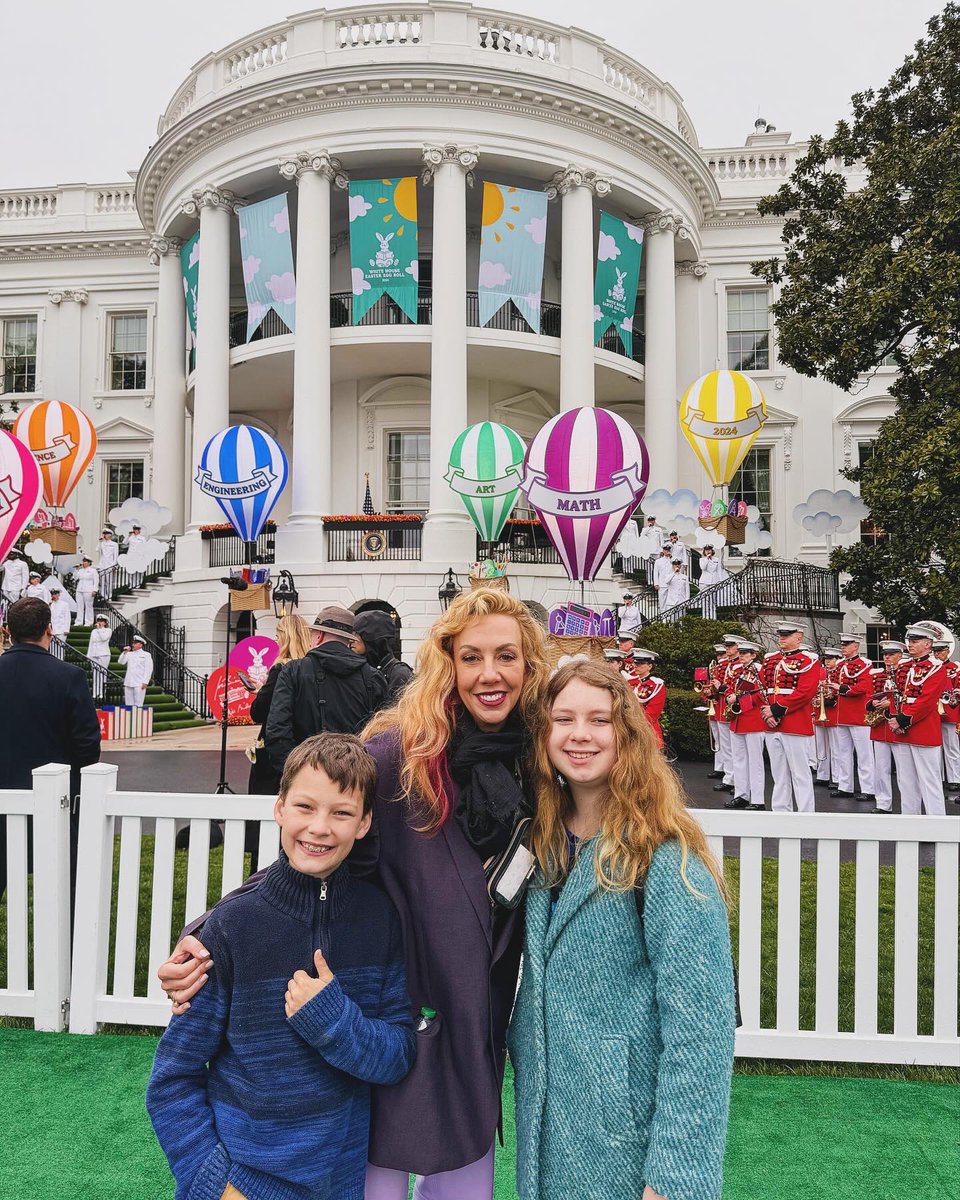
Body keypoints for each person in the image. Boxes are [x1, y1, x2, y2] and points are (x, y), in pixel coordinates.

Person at [157, 588, 552, 1200]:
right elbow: (319, 847)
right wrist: (212, 931)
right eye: (471, 657)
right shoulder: (400, 755)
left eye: (506, 656)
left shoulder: (537, 761)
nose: (490, 674)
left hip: (476, 1018)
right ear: (447, 663)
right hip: (390, 1009)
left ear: (530, 665)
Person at [147, 734, 416, 1200]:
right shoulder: (232, 927)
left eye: (341, 812)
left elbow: (398, 1054)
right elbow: (173, 1078)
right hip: (243, 1183)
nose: (320, 828)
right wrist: (216, 1183)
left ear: (365, 822)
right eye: (305, 807)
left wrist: (335, 1022)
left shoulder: (380, 921)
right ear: (279, 808)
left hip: (341, 1183)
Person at [509, 659, 735, 1200]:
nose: (580, 735)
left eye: (599, 720)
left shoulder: (666, 859)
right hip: (547, 1133)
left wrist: (675, 1179)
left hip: (625, 1145)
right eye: (563, 719)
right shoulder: (539, 843)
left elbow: (701, 1034)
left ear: (626, 735)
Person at [0, 597, 100, 909]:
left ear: (9, 631)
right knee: (63, 889)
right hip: (55, 801)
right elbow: (88, 745)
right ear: (49, 629)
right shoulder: (68, 676)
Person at [266, 606, 389, 777]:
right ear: (349, 640)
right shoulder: (373, 676)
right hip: (356, 777)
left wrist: (294, 773)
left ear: (320, 635)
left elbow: (277, 730)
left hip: (305, 772)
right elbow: (384, 734)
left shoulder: (293, 671)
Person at [248, 613, 314, 799]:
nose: (275, 640)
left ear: (286, 637)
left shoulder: (281, 670)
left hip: (277, 750)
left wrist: (262, 693)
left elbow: (259, 712)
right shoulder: (310, 669)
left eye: (278, 635)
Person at [760, 622, 819, 813]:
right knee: (779, 775)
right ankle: (780, 814)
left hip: (795, 723)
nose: (782, 638)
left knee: (800, 773)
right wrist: (767, 711)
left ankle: (805, 816)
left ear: (799, 637)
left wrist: (776, 710)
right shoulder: (770, 659)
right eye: (780, 635)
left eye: (787, 634)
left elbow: (805, 692)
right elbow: (761, 688)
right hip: (771, 723)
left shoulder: (808, 660)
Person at [886, 627, 945, 816]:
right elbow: (897, 696)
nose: (910, 644)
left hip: (923, 728)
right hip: (903, 728)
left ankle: (936, 825)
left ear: (927, 644)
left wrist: (903, 720)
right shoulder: (904, 667)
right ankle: (910, 823)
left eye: (915, 641)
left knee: (929, 780)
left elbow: (926, 701)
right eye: (910, 641)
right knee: (906, 780)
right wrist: (895, 718)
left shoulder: (936, 668)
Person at [829, 634, 876, 803]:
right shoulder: (841, 665)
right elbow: (834, 685)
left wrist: (841, 688)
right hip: (842, 715)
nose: (843, 647)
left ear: (856, 646)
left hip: (858, 715)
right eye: (842, 644)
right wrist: (830, 691)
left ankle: (868, 788)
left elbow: (863, 687)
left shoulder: (865, 665)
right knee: (843, 753)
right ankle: (845, 786)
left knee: (864, 755)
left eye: (847, 644)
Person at [725, 641, 766, 810]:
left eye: (745, 653)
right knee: (739, 760)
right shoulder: (738, 670)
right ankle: (741, 795)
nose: (741, 655)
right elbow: (729, 687)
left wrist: (739, 701)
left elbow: (762, 694)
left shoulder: (759, 670)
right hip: (738, 721)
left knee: (755, 762)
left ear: (754, 655)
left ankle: (758, 799)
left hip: (753, 720)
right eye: (740, 652)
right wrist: (729, 696)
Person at [865, 640, 905, 813]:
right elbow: (867, 696)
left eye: (891, 654)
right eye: (885, 655)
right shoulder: (876, 675)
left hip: (899, 726)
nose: (887, 657)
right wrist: (872, 703)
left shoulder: (906, 674)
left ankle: (908, 805)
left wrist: (891, 703)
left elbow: (909, 696)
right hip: (880, 726)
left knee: (904, 771)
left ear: (900, 655)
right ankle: (883, 803)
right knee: (881, 768)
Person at [703, 635, 742, 793]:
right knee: (726, 748)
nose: (727, 649)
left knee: (733, 749)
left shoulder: (738, 666)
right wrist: (710, 692)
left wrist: (719, 687)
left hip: (730, 710)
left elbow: (735, 689)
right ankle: (729, 777)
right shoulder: (726, 665)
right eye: (726, 646)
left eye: (730, 646)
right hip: (721, 709)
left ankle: (735, 780)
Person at [353, 609, 413, 701]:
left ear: (371, 639)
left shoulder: (399, 674)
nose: (351, 640)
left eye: (356, 635)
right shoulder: (360, 669)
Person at [932, 639, 960, 796]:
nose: (937, 655)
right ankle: (940, 777)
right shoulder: (931, 668)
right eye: (935, 652)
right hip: (933, 713)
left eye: (940, 651)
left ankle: (955, 779)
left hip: (949, 711)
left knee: (951, 747)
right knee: (936, 747)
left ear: (947, 651)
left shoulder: (955, 669)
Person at [626, 647, 666, 748]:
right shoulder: (631, 683)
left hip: (647, 731)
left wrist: (633, 724)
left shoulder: (656, 685)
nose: (636, 666)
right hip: (629, 729)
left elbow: (652, 714)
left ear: (650, 666)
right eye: (635, 663)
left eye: (640, 664)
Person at [814, 648, 842, 788]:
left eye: (831, 659)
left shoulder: (840, 673)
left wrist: (832, 696)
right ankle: (822, 775)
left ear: (837, 659)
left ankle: (837, 777)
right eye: (826, 659)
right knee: (821, 747)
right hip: (820, 712)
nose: (828, 662)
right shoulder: (821, 674)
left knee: (836, 748)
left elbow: (841, 692)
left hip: (834, 712)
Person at [119, 634, 153, 706]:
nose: (133, 645)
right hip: (129, 681)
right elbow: (121, 662)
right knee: (128, 704)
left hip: (139, 682)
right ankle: (130, 717)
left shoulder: (146, 655)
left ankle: (138, 717)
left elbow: (149, 669)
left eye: (135, 643)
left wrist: (145, 681)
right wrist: (125, 652)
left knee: (138, 703)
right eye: (133, 643)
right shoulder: (129, 654)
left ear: (140, 645)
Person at [86, 615, 113, 702]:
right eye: (99, 620)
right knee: (95, 674)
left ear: (105, 623)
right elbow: (91, 643)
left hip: (104, 654)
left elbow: (104, 638)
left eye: (102, 621)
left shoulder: (108, 630)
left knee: (102, 674)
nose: (100, 622)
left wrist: (99, 629)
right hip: (94, 654)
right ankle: (95, 693)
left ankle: (102, 693)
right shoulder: (94, 631)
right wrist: (88, 655)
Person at [698, 544, 729, 619]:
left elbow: (719, 571)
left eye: (709, 550)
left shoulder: (716, 560)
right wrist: (707, 558)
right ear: (704, 551)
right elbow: (703, 567)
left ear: (712, 550)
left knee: (713, 601)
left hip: (714, 582)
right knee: (705, 601)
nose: (708, 551)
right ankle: (705, 618)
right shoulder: (702, 560)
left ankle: (713, 618)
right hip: (704, 582)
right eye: (706, 550)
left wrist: (720, 581)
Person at [635, 515, 663, 584]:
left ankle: (657, 581)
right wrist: (648, 528)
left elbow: (661, 540)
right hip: (649, 550)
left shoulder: (659, 529)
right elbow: (642, 536)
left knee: (657, 567)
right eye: (650, 520)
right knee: (649, 567)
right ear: (648, 521)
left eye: (652, 520)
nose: (651, 521)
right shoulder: (645, 529)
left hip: (657, 551)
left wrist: (662, 550)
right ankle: (650, 581)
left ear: (654, 521)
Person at [73, 555, 99, 626]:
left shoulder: (93, 570)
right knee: (79, 606)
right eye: (83, 561)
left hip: (89, 590)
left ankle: (89, 621)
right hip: (80, 589)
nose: (83, 563)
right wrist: (76, 570)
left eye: (85, 562)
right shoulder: (80, 570)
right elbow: (75, 578)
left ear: (89, 563)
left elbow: (96, 581)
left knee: (88, 606)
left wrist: (95, 590)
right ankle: (79, 621)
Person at [652, 544, 674, 614]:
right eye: (665, 550)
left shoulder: (673, 560)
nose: (667, 551)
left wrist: (671, 557)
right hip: (662, 584)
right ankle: (664, 620)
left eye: (668, 550)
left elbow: (678, 569)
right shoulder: (658, 561)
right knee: (662, 603)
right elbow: (655, 573)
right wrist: (656, 583)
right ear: (663, 550)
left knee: (671, 603)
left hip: (672, 585)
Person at [97, 528, 118, 598]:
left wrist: (114, 565)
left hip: (110, 565)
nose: (105, 535)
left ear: (110, 535)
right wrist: (100, 541)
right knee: (102, 582)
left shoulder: (114, 544)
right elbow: (97, 549)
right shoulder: (101, 543)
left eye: (107, 534)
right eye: (104, 534)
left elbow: (115, 555)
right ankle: (103, 595)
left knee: (109, 582)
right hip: (102, 565)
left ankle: (109, 595)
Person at [125, 523, 146, 589]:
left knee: (138, 571)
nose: (135, 531)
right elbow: (124, 542)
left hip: (139, 556)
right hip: (131, 556)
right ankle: (131, 584)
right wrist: (128, 536)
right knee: (131, 570)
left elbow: (144, 547)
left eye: (136, 529)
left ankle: (138, 583)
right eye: (134, 529)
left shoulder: (142, 538)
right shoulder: (131, 537)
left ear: (139, 530)